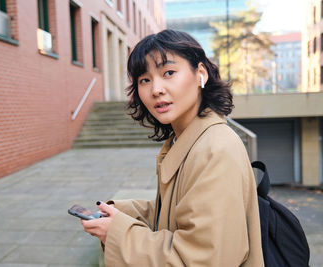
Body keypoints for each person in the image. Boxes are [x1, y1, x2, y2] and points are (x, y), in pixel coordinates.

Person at [81, 29, 264, 266]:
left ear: (200, 74)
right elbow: (177, 214)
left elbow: (204, 258)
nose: (156, 89)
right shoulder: (187, 138)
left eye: (168, 73)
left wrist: (116, 233)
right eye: (144, 80)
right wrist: (122, 212)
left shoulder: (215, 149)